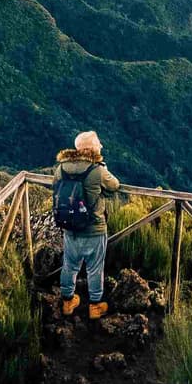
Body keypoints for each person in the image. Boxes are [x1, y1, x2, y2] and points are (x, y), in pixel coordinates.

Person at [51, 130, 121, 319]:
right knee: (95, 268)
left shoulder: (61, 168)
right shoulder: (97, 170)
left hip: (69, 227)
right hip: (94, 229)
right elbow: (114, 185)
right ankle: (95, 306)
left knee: (70, 265)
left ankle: (67, 302)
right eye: (98, 143)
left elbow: (56, 188)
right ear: (90, 148)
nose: (101, 146)